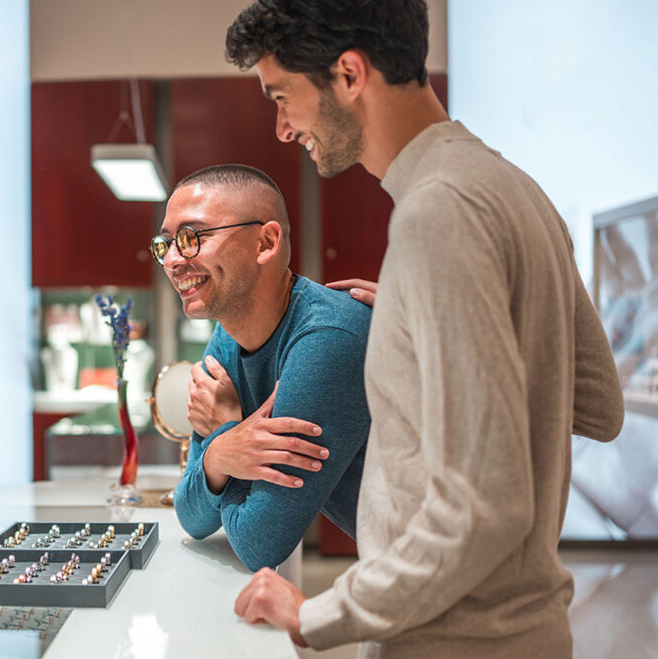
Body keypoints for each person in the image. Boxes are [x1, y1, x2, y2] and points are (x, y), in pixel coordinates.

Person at [224, 1, 624, 655]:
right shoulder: (510, 186)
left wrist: (316, 612)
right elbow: (600, 404)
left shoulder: (437, 217)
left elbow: (484, 507)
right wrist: (436, 321)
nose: (281, 127)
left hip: (453, 638)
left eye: (282, 97)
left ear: (349, 75)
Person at [164, 164, 372, 571]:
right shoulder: (229, 333)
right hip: (406, 566)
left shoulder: (328, 338)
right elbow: (191, 517)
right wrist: (220, 454)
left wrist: (224, 431)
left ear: (266, 242)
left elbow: (259, 543)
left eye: (191, 238)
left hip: (469, 577)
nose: (172, 260)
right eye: (165, 244)